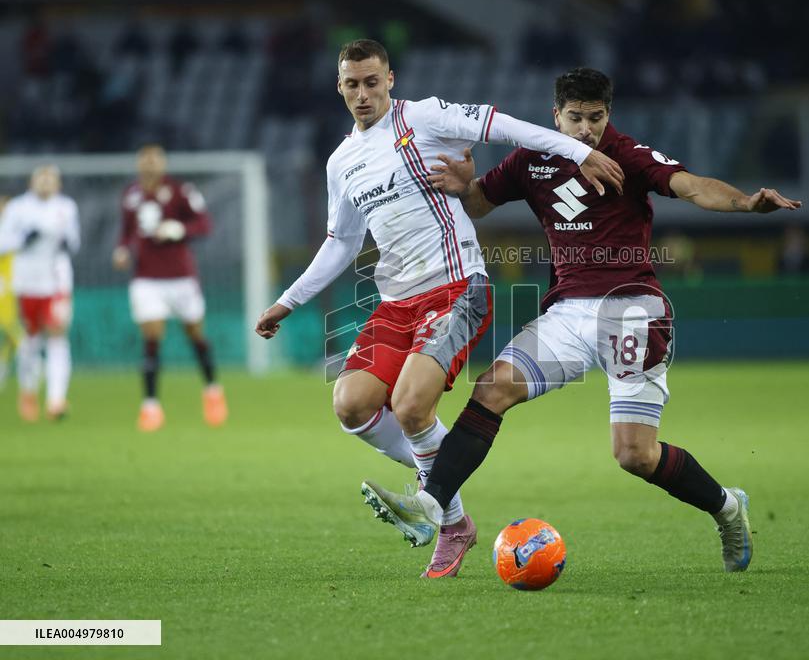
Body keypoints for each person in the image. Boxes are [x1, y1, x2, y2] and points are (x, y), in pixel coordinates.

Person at [361, 67, 802, 573]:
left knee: (634, 454)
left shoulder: (628, 155)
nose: (586, 129)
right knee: (491, 390)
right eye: (575, 118)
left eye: (595, 117)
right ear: (557, 115)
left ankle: (727, 507)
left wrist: (745, 203)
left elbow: (692, 186)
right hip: (566, 313)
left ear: (608, 114)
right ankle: (431, 505)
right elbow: (482, 202)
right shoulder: (533, 158)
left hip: (631, 308)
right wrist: (465, 187)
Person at [254, 40, 623, 578]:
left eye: (372, 82)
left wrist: (579, 151)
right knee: (351, 405)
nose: (363, 93)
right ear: (339, 87)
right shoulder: (342, 162)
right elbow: (340, 241)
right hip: (396, 302)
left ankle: (441, 515)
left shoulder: (424, 118)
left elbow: (507, 127)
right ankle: (449, 501)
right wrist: (287, 301)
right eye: (352, 84)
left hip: (456, 289)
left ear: (390, 80)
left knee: (409, 406)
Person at [113, 144, 228, 432]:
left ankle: (212, 390)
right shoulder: (131, 195)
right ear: (139, 164)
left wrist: (179, 229)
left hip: (181, 277)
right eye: (145, 161)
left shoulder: (181, 191)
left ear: (163, 164)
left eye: (155, 160)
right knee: (152, 337)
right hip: (146, 278)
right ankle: (150, 406)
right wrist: (122, 250)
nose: (150, 165)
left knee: (196, 335)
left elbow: (204, 224)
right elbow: (126, 234)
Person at [0, 166, 79, 420]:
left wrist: (67, 242)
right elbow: (2, 243)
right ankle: (28, 391)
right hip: (27, 281)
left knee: (57, 336)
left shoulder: (66, 207)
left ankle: (56, 399)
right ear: (31, 181)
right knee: (30, 339)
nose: (46, 182)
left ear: (58, 183)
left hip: (57, 280)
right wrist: (24, 239)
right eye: (41, 178)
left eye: (50, 178)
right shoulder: (18, 208)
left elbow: (75, 242)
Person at [0, 197, 16, 392]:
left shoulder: (13, 228)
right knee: (10, 325)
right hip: (4, 284)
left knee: (12, 325)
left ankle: (3, 362)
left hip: (14, 283)